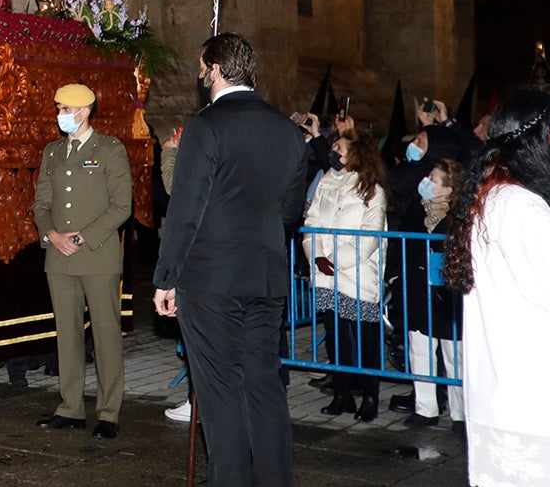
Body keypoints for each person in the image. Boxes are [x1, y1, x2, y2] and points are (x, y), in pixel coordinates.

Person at [152, 33, 308, 487]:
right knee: (264, 389)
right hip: (265, 277)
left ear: (216, 69)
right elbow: (289, 212)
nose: (200, 76)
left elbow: (186, 208)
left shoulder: (205, 126)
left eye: (202, 68)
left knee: (219, 398)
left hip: (212, 282)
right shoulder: (286, 130)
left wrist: (166, 276)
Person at [444, 90, 550, 487]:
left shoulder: (498, 195)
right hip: (536, 395)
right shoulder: (519, 206)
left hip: (513, 389)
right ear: (533, 145)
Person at [31, 83, 133, 440]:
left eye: (65, 109)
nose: (60, 116)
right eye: (57, 109)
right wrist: (52, 234)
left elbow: (122, 206)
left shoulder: (109, 150)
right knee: (68, 337)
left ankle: (108, 412)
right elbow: (41, 203)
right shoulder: (53, 152)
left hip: (97, 256)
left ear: (84, 111)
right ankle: (70, 407)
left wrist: (83, 235)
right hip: (59, 257)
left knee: (106, 336)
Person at [302, 130, 388, 422]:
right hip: (327, 276)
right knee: (336, 338)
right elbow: (311, 222)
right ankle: (342, 394)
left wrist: (335, 260)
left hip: (358, 275)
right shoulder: (326, 182)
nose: (333, 152)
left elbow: (370, 236)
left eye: (338, 148)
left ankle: (370, 396)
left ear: (356, 154)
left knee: (364, 339)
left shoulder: (372, 190)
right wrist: (317, 256)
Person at [402, 158, 465, 431]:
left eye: (433, 179)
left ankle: (461, 414)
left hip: (448, 296)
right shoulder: (415, 212)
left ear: (447, 190)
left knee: (454, 356)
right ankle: (425, 408)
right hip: (418, 290)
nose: (426, 182)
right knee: (420, 350)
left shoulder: (460, 217)